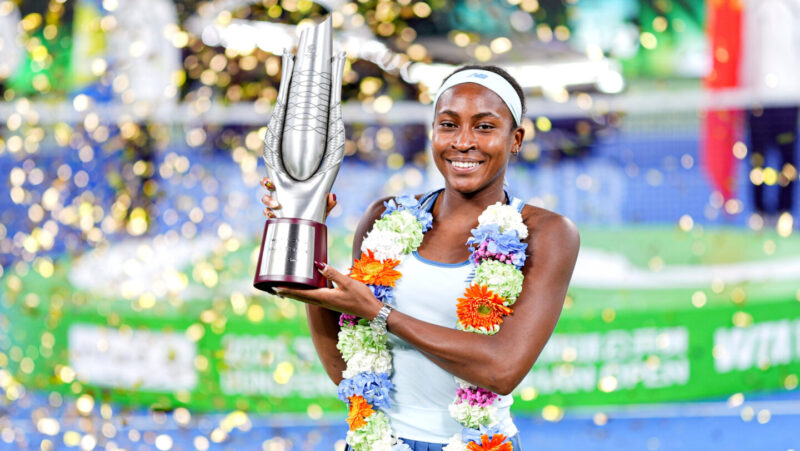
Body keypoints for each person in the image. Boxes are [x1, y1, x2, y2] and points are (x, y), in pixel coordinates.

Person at [260, 65, 579, 450]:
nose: (463, 141)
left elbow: (501, 369)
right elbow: (345, 369)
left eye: (484, 126)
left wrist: (380, 313)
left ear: (515, 139)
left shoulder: (548, 233)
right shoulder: (384, 218)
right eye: (448, 124)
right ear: (432, 132)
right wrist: (306, 229)